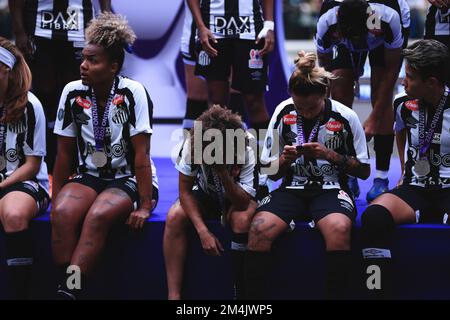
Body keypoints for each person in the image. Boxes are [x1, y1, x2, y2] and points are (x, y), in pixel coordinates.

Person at [244, 51, 370, 300]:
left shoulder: (346, 117)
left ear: (325, 94)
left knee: (339, 228)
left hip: (332, 189)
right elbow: (270, 170)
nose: (306, 113)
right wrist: (283, 160)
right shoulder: (283, 112)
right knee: (259, 229)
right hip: (291, 189)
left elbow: (364, 171)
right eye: (300, 107)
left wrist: (329, 155)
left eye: (311, 108)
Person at [51, 12, 158, 300]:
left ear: (113, 66)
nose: (83, 66)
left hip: (129, 177)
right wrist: (57, 196)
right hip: (90, 175)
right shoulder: (72, 92)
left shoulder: (133, 92)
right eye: (83, 58)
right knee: (61, 214)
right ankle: (70, 284)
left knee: (98, 215)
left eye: (92, 60)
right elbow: (63, 154)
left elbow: (141, 155)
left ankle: (69, 290)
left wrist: (145, 205)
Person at [360, 39, 450, 299]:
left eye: (409, 77)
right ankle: (376, 291)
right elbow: (400, 132)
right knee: (372, 218)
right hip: (414, 189)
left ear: (432, 82)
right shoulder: (402, 103)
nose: (403, 81)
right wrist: (404, 170)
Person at [315, 0, 410, 202]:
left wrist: (374, 117)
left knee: (380, 94)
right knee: (340, 89)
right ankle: (348, 172)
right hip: (349, 33)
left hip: (382, 37)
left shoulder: (388, 16)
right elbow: (325, 68)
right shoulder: (327, 20)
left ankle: (381, 178)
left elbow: (392, 70)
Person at [164, 105, 258, 300]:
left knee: (242, 219)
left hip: (239, 194)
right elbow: (185, 191)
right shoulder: (193, 144)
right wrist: (203, 231)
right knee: (175, 216)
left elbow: (242, 202)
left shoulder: (248, 146)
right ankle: (174, 296)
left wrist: (223, 173)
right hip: (207, 191)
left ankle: (240, 294)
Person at [8, 0, 111, 174]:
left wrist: (106, 18)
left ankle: (76, 167)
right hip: (40, 27)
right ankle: (43, 167)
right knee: (44, 96)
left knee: (75, 98)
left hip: (79, 27)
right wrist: (19, 31)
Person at [0, 37, 50, 299]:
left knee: (14, 215)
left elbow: (32, 166)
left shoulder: (30, 105)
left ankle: (21, 294)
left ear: (6, 70)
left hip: (25, 182)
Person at [186, 0, 274, 140]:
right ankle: (217, 158)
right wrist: (200, 26)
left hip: (250, 30)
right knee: (216, 103)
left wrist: (269, 25)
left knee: (255, 102)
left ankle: (270, 159)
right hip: (213, 29)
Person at [181, 0, 208, 130]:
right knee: (196, 100)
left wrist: (269, 25)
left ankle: (270, 149)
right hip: (197, 36)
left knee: (238, 103)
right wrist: (201, 27)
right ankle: (188, 149)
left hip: (242, 33)